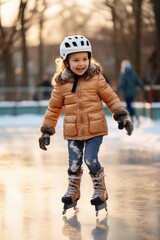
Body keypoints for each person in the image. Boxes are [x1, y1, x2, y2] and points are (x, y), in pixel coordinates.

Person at [38, 35, 133, 211]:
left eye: (84, 58)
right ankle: (73, 190)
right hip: (73, 131)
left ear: (89, 59)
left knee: (90, 159)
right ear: (66, 62)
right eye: (76, 60)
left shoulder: (96, 78)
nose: (81, 63)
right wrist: (46, 131)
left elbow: (111, 98)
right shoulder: (62, 84)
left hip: (94, 129)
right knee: (74, 163)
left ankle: (100, 190)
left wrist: (121, 116)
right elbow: (53, 109)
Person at [117, 60, 144, 124]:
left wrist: (119, 88)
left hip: (126, 93)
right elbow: (137, 81)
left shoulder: (123, 74)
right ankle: (133, 117)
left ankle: (133, 116)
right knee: (130, 105)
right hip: (133, 93)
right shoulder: (133, 73)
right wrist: (142, 86)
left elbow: (122, 84)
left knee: (128, 106)